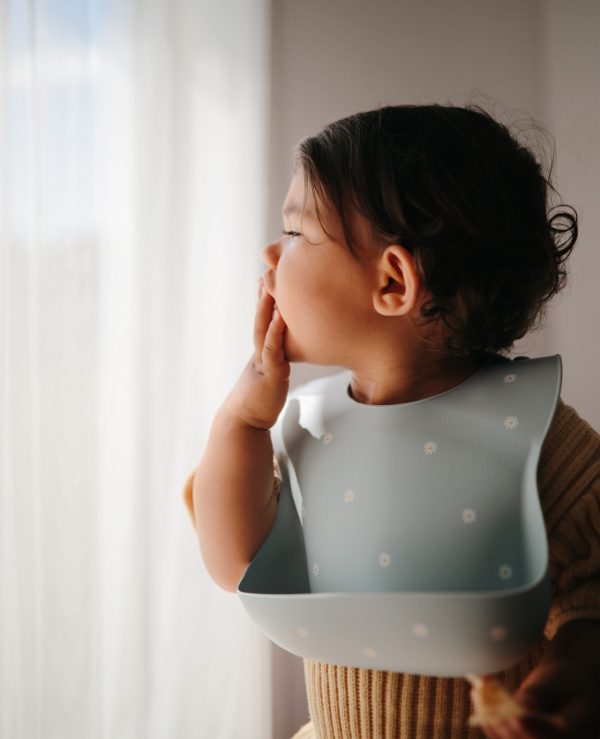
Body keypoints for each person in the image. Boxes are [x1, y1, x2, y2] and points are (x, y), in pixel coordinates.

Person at [183, 104, 600, 738]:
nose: (270, 254)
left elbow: (592, 591)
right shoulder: (309, 428)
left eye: (295, 234)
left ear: (393, 282)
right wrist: (241, 419)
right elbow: (233, 561)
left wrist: (565, 685)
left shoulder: (539, 437)